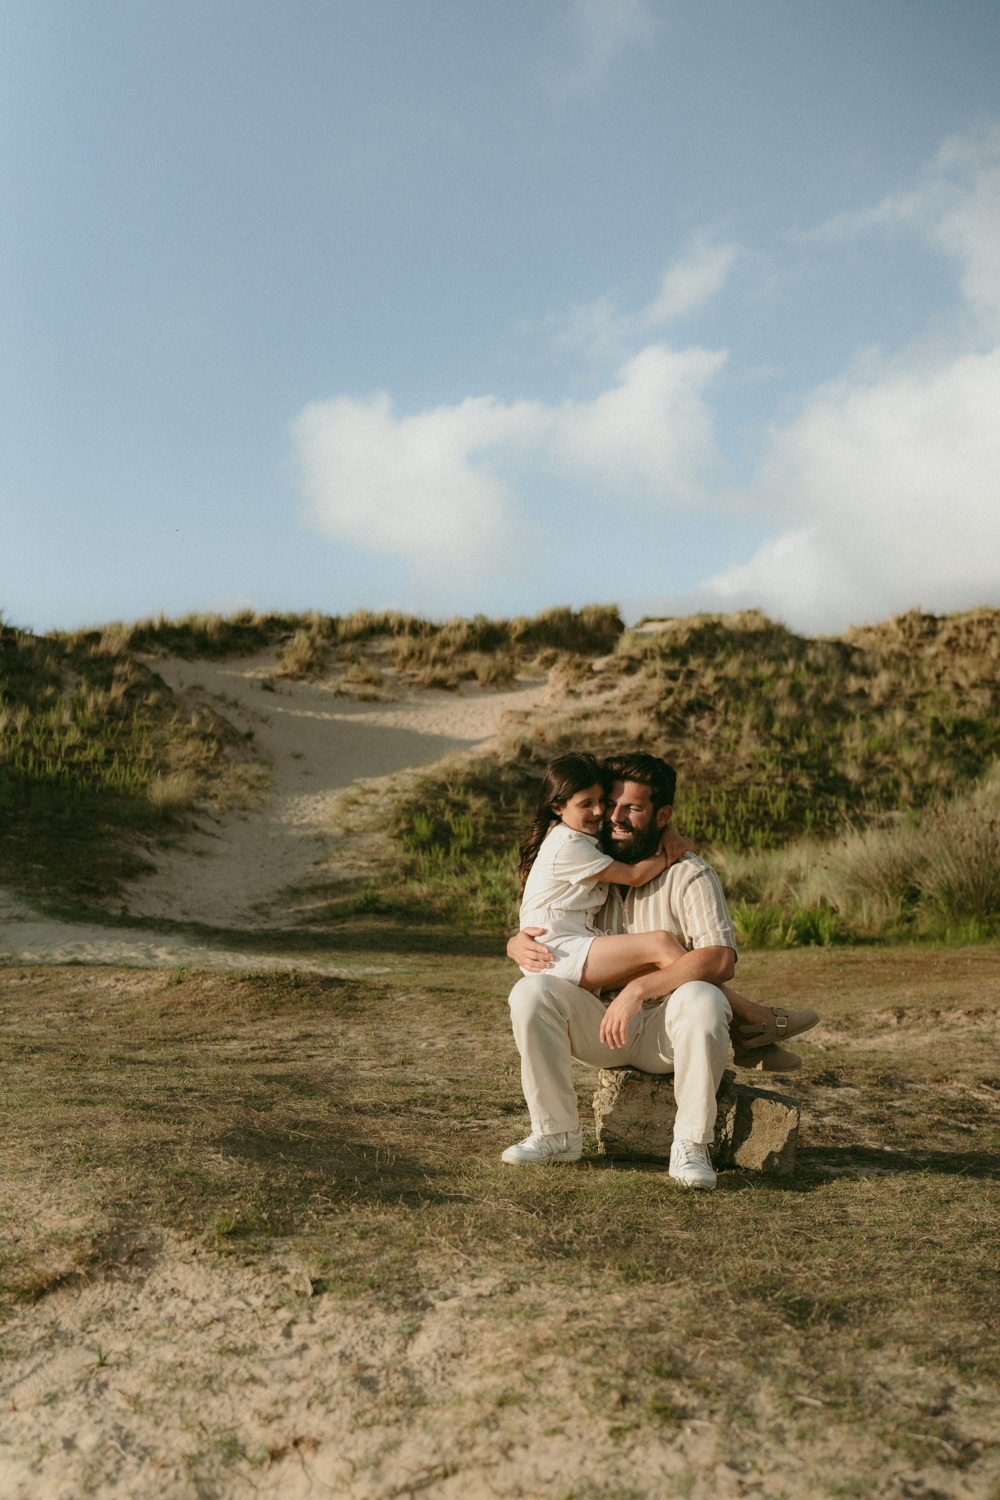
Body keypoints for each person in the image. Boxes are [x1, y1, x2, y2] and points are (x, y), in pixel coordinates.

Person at [504, 752, 819, 1189]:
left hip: (665, 1033)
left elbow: (721, 960)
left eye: (631, 808)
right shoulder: (595, 856)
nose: (612, 816)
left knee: (702, 995)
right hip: (602, 1027)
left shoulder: (690, 873)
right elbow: (549, 909)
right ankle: (556, 1134)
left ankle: (691, 1145)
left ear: (661, 814)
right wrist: (515, 942)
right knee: (529, 994)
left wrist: (640, 988)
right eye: (609, 804)